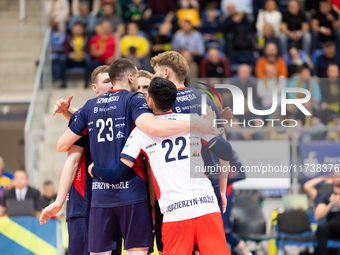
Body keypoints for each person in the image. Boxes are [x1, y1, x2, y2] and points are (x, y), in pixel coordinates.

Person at [56, 58, 215, 255]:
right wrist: (197, 123)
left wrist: (74, 116)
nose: (140, 90)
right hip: (138, 194)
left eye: (146, 87)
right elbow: (152, 126)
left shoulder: (90, 107)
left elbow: (61, 144)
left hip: (102, 196)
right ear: (130, 78)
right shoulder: (136, 105)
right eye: (138, 85)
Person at [88, 77, 232, 255]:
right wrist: (213, 130)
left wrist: (93, 169)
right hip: (207, 206)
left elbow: (117, 174)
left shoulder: (141, 132)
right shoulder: (192, 121)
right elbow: (226, 153)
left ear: (150, 101)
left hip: (175, 214)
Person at [40, 65, 123, 255]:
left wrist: (70, 112)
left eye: (113, 80)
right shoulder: (88, 117)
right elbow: (71, 158)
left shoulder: (118, 115)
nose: (111, 85)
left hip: (113, 200)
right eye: (106, 81)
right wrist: (58, 202)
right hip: (83, 199)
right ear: (94, 88)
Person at [60, 22, 92, 88]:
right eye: (76, 29)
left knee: (88, 59)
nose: (77, 30)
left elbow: (88, 51)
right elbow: (65, 51)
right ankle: (63, 82)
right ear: (73, 30)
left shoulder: (87, 39)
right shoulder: (68, 39)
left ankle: (86, 83)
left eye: (79, 29)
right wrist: (71, 55)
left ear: (82, 30)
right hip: (72, 60)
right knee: (62, 59)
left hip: (82, 60)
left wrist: (82, 55)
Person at [314, 179, 340, 255]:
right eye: (336, 176)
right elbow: (317, 216)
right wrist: (331, 204)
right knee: (321, 228)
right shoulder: (327, 195)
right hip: (333, 226)